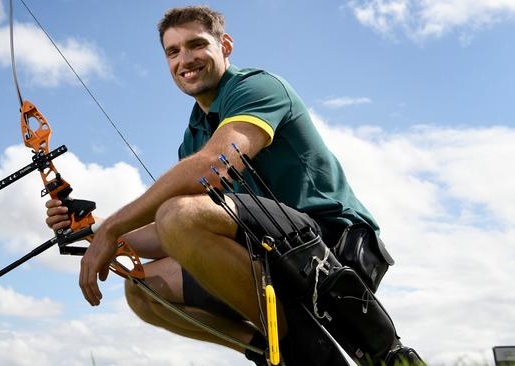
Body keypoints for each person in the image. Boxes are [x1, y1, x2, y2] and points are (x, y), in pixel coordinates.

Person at [46, 5, 423, 365]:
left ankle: (341, 350)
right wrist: (93, 234)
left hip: (330, 243)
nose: (184, 60)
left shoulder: (256, 87)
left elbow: (215, 167)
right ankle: (282, 352)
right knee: (142, 288)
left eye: (196, 44)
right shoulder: (193, 135)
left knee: (179, 213)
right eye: (172, 52)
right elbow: (172, 230)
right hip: (265, 248)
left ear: (224, 46)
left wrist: (114, 227)